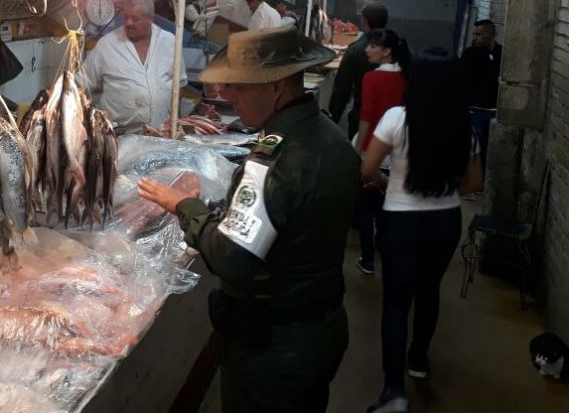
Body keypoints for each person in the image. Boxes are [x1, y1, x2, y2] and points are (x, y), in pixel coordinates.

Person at [138, 26, 359, 413]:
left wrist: (185, 207)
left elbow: (233, 259)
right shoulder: (329, 135)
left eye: (238, 87)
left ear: (276, 87)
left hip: (274, 347)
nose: (226, 95)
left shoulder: (274, 160)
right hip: (319, 329)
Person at [361, 49, 483, 413]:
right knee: (429, 292)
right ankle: (418, 360)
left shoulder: (396, 119)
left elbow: (367, 169)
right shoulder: (465, 128)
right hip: (445, 221)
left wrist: (388, 185)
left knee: (396, 303)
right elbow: (474, 183)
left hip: (401, 221)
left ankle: (393, 390)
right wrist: (444, 191)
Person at [82, 0, 188, 134]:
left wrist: (176, 121)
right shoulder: (107, 45)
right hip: (119, 136)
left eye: (135, 18)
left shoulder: (169, 41)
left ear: (150, 19)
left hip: (161, 134)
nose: (128, 23)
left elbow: (179, 83)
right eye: (126, 17)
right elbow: (83, 82)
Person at [354, 29, 410, 275]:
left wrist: (359, 150)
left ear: (387, 51)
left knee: (366, 208)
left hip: (373, 148)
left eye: (373, 46)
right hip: (399, 150)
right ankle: (386, 251)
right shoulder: (407, 76)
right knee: (387, 204)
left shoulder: (372, 78)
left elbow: (366, 117)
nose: (367, 50)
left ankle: (367, 259)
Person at [329, 2, 389, 138]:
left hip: (361, 117)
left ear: (364, 21)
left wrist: (333, 119)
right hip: (392, 119)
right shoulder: (401, 49)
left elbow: (342, 90)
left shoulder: (355, 50)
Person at [461, 19, 503, 171]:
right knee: (475, 149)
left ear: (491, 35)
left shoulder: (502, 54)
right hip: (475, 110)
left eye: (478, 34)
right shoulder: (470, 54)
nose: (475, 38)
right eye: (474, 34)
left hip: (495, 111)